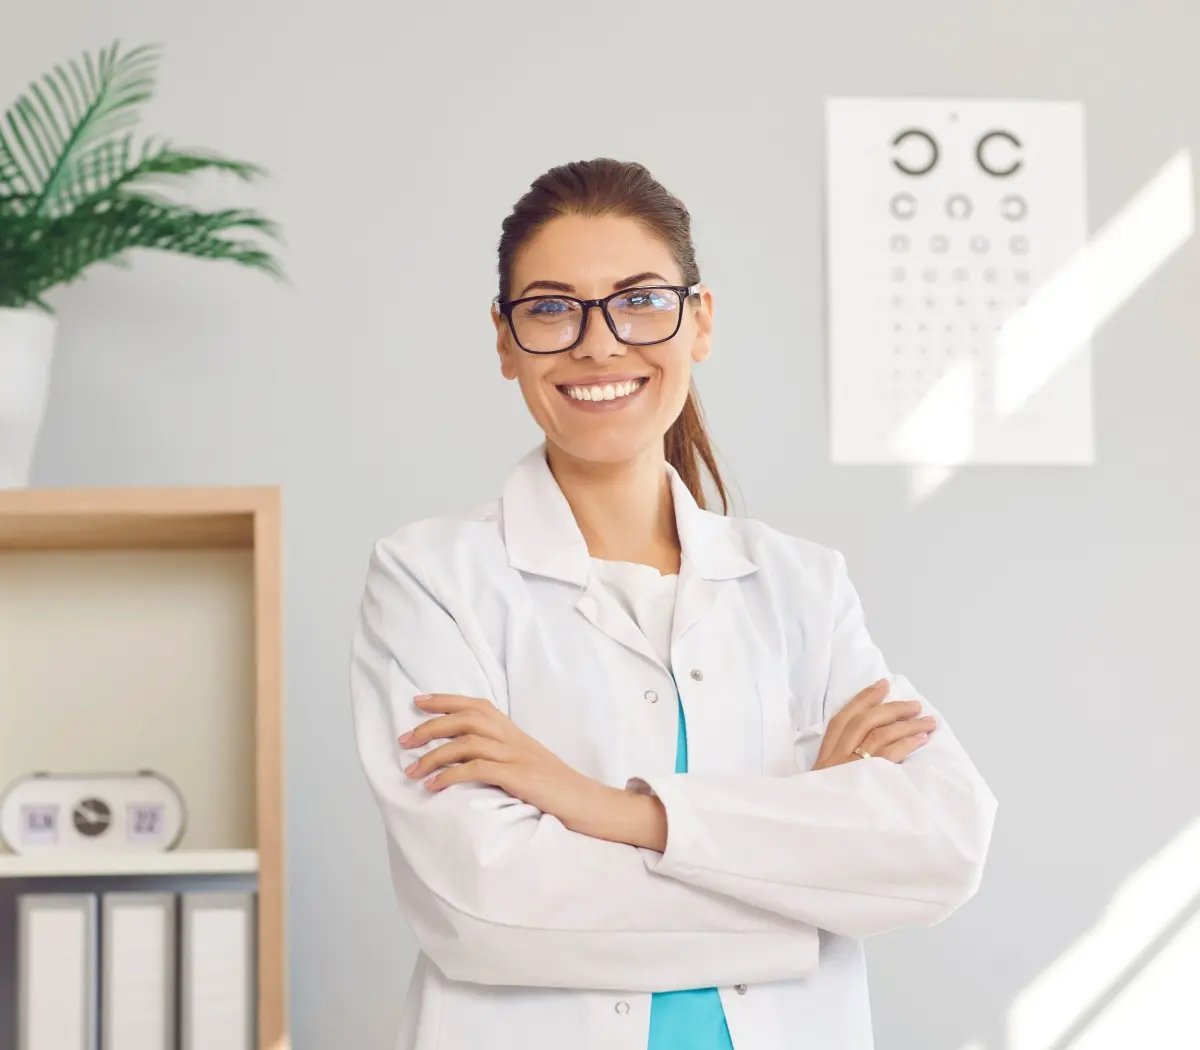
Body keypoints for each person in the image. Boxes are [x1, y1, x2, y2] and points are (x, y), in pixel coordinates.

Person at [349, 158, 997, 1050]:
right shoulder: (432, 577)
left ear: (700, 321)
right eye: (549, 308)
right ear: (504, 340)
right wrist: (806, 883)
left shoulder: (801, 584)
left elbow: (938, 850)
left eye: (640, 299)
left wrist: (600, 808)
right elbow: (487, 907)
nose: (599, 342)